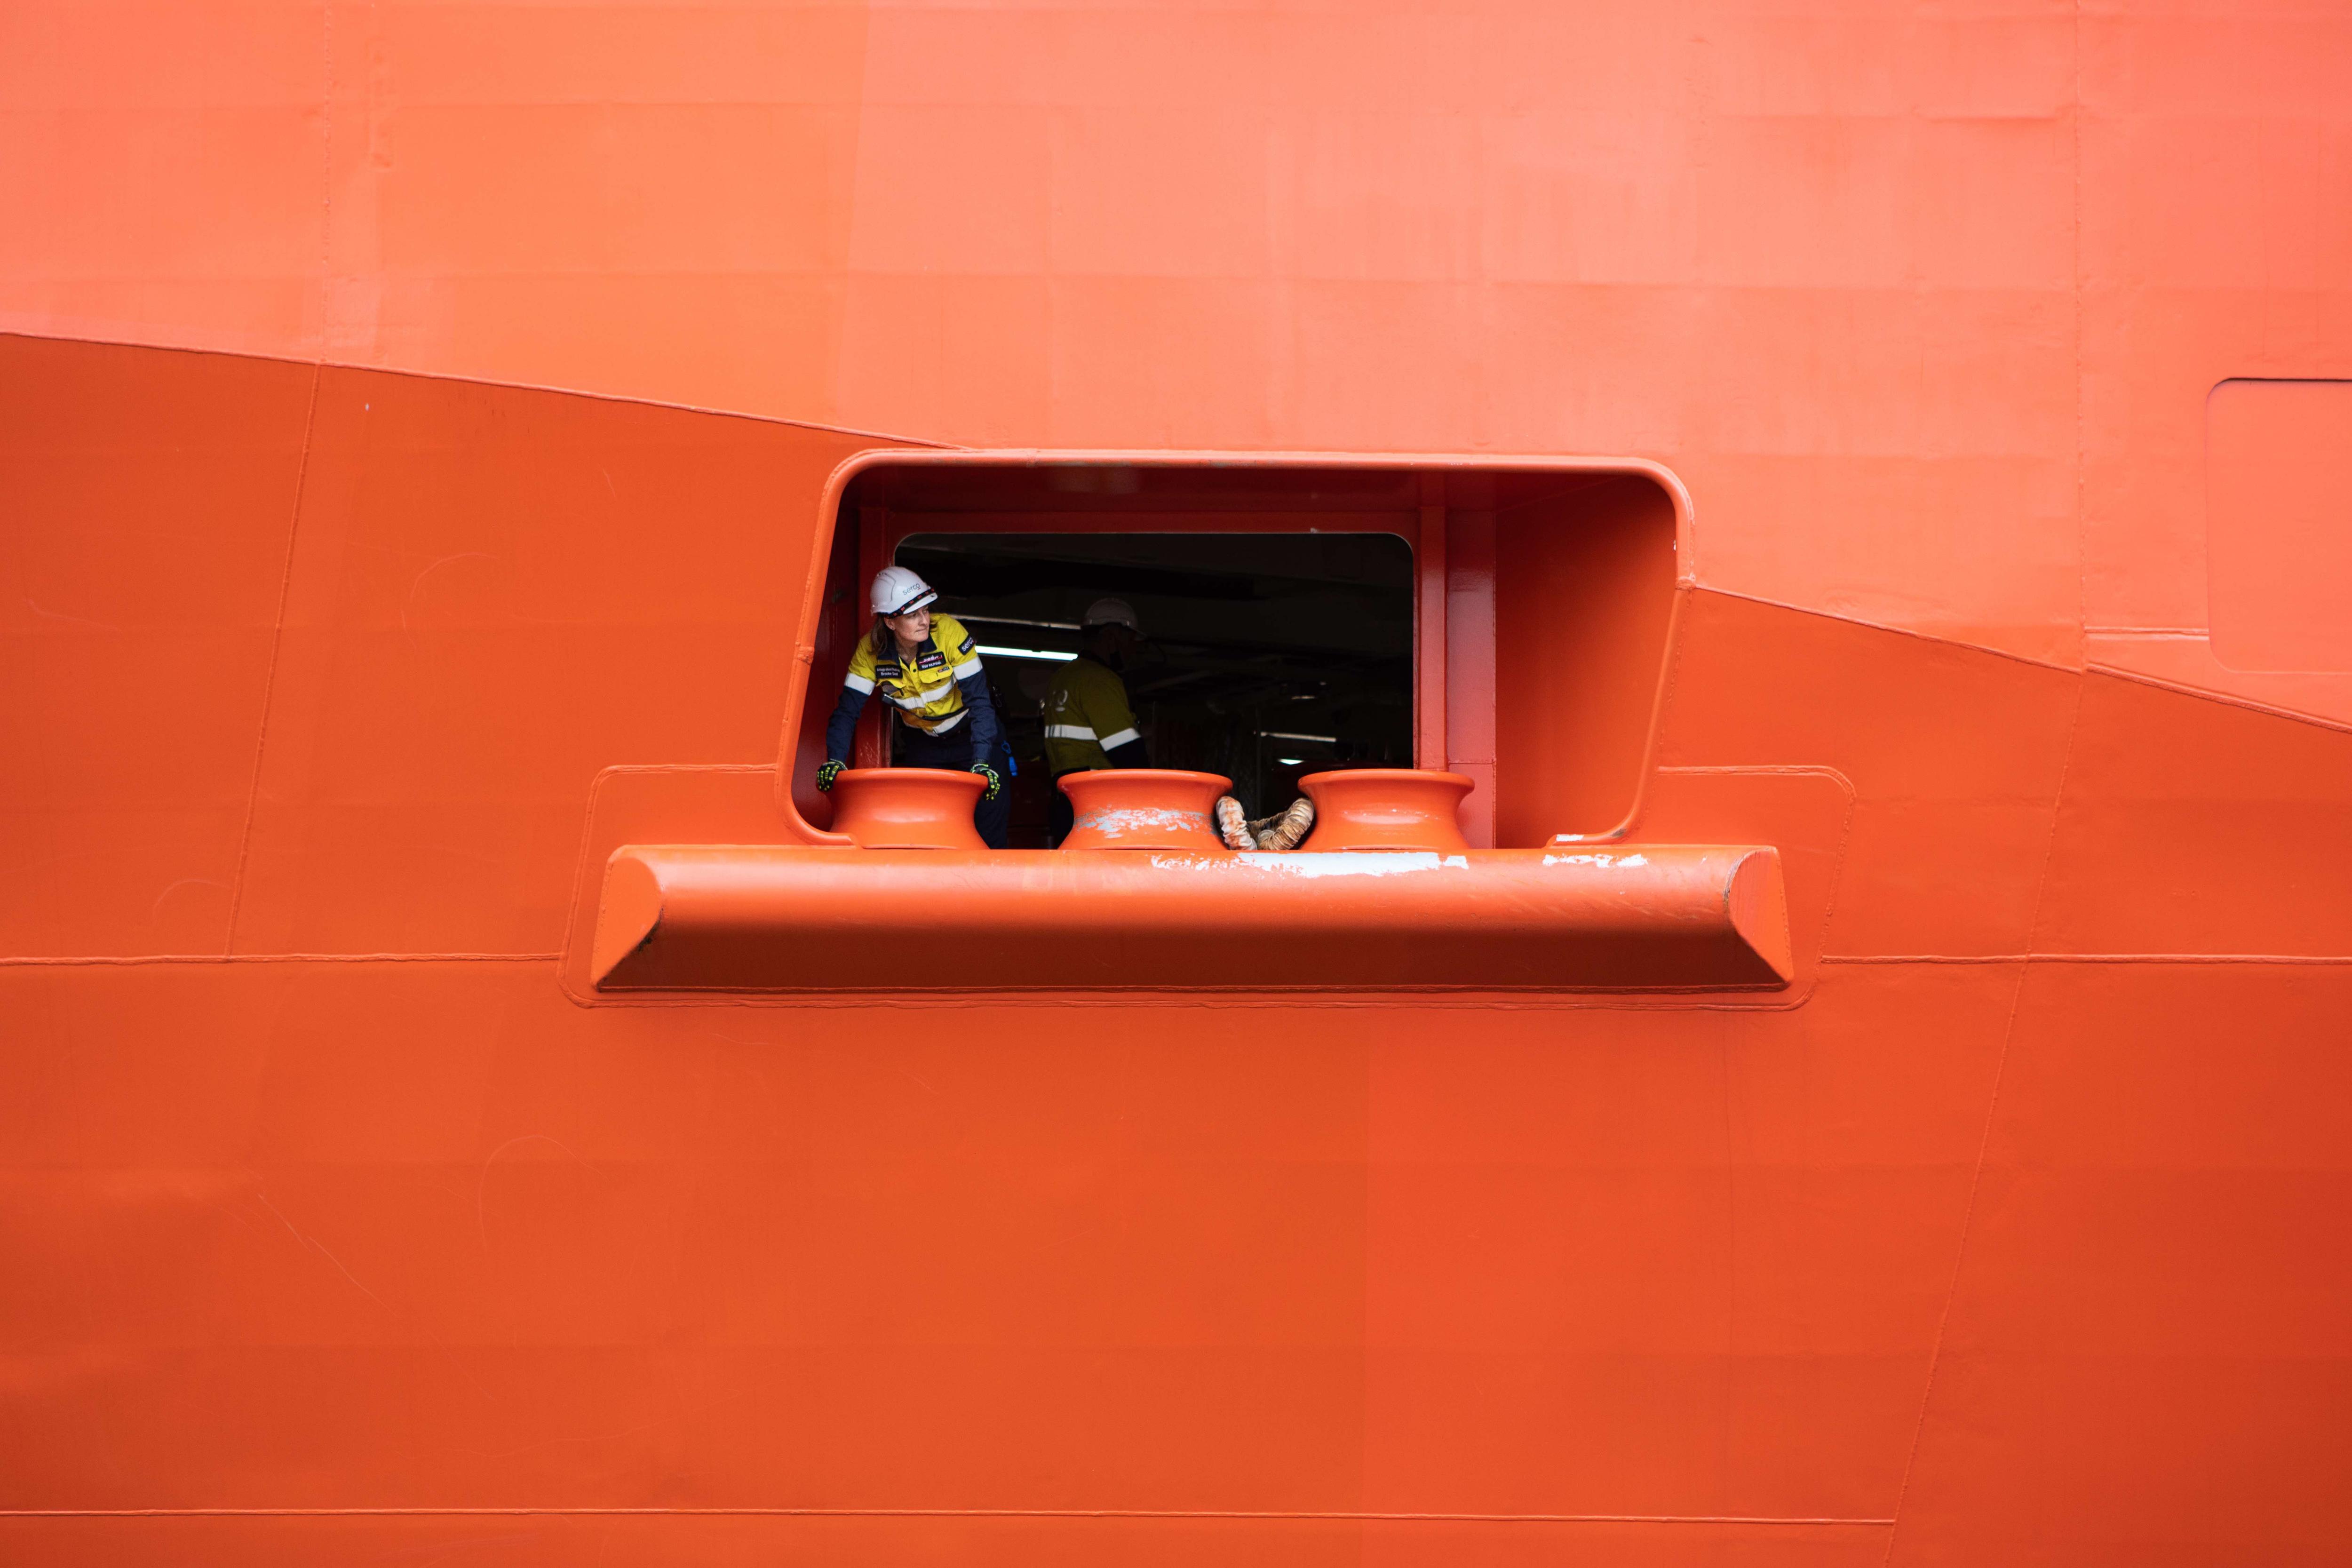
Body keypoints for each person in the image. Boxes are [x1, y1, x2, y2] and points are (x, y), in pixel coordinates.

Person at [817, 565, 1010, 849]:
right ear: (890, 623)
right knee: (928, 836)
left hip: (974, 738)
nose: (924, 620)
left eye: (926, 611)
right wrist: (835, 760)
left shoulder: (949, 633)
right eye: (912, 615)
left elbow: (981, 703)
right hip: (925, 746)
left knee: (989, 832)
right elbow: (847, 713)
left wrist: (981, 760)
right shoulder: (869, 653)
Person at [1042, 597, 1147, 846]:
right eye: (1130, 640)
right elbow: (1127, 752)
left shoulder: (1063, 678)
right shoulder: (1099, 680)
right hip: (1099, 805)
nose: (1133, 649)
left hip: (1066, 801)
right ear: (1112, 636)